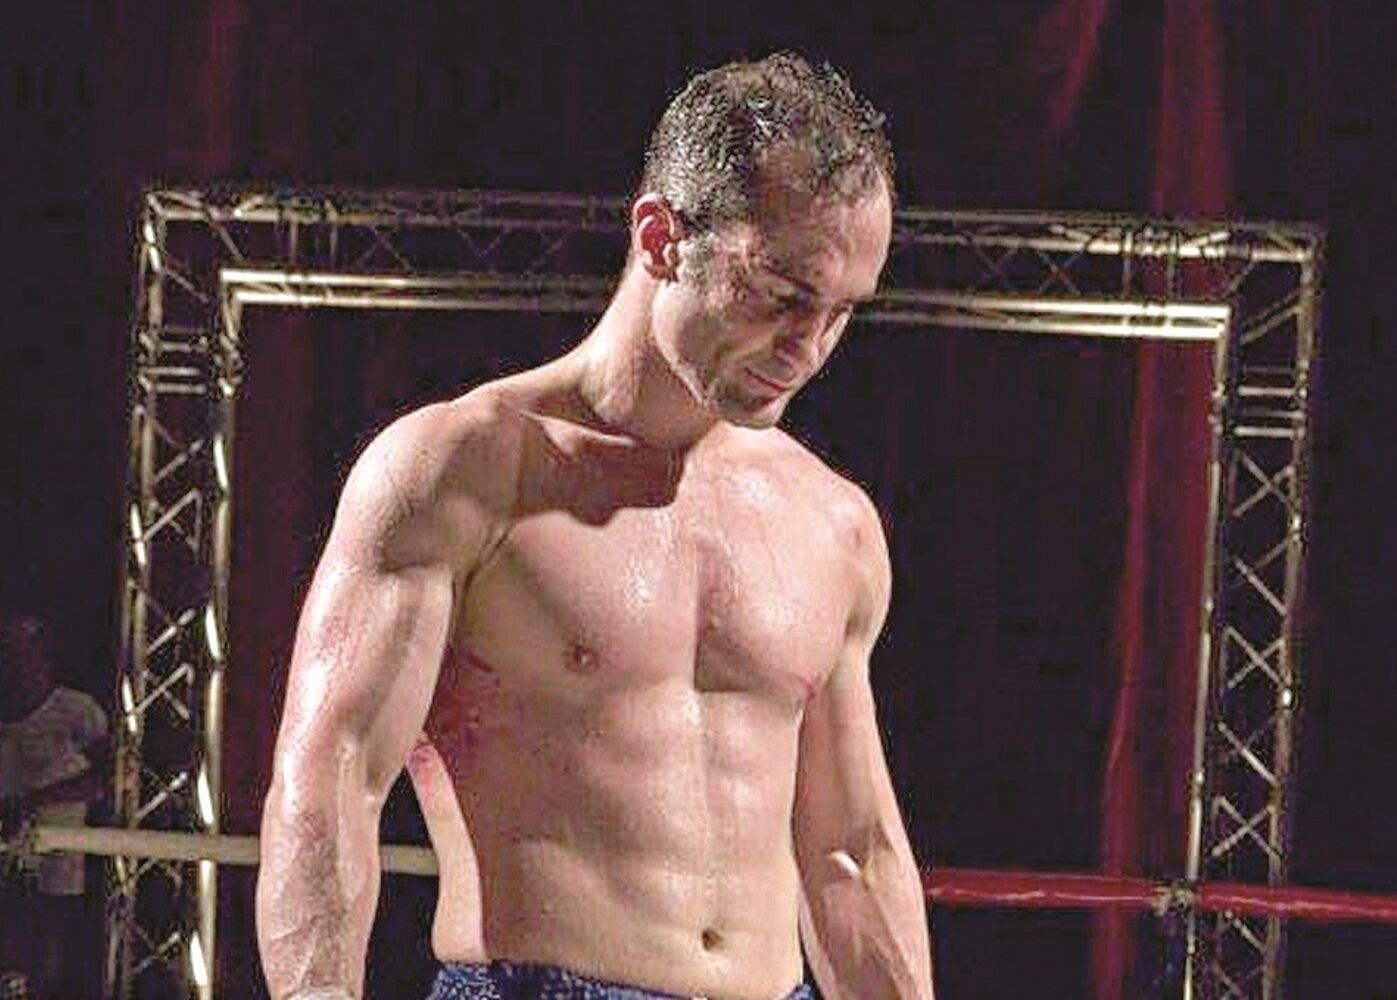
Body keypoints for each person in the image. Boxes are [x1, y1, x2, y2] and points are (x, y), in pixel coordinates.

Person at [256, 52, 933, 1000]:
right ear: (661, 238)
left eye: (841, 313)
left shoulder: (833, 523)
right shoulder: (462, 469)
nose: (809, 347)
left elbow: (853, 852)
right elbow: (330, 782)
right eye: (783, 294)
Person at [0, 613, 110, 1000]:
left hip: (59, 869)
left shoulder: (76, 711)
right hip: (8, 865)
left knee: (46, 967)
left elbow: (105, 782)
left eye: (22, 649)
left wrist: (31, 802)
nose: (15, 659)